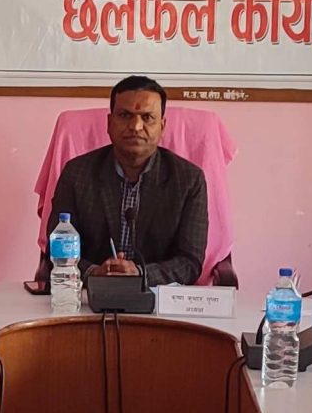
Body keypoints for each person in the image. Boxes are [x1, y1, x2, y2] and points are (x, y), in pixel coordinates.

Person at [45, 75, 210, 286]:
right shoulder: (77, 173)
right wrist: (94, 273)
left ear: (162, 126)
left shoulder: (188, 180)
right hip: (90, 295)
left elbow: (190, 262)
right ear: (109, 123)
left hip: (155, 297)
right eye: (125, 115)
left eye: (147, 117)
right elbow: (57, 248)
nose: (136, 126)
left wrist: (140, 274)